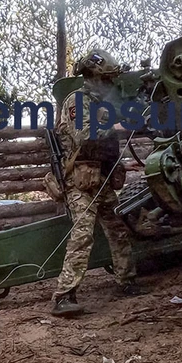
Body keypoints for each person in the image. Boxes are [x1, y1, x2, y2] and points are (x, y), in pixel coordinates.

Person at [51, 49, 146, 318]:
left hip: (99, 178)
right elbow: (83, 136)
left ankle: (126, 281)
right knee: (83, 235)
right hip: (79, 180)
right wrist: (119, 125)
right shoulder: (76, 100)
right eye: (106, 79)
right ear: (92, 77)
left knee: (117, 228)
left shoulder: (101, 103)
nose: (110, 84)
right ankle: (63, 296)